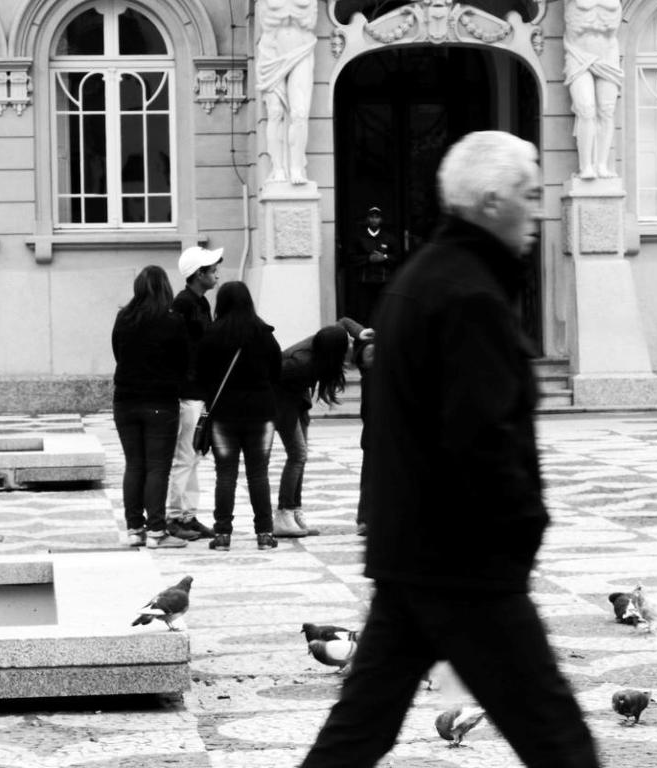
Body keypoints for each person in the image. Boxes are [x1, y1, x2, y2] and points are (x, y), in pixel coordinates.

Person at [300, 131, 601, 768]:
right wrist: (522, 528)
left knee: (358, 732)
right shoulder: (469, 296)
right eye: (528, 194)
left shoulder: (419, 280)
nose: (537, 211)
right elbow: (483, 439)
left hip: (411, 552)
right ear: (492, 202)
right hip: (466, 563)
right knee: (558, 739)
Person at [196, 281, 282, 552]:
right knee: (258, 474)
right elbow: (276, 372)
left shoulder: (212, 334)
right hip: (261, 413)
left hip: (224, 415)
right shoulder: (264, 333)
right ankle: (265, 533)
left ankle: (222, 534)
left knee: (225, 475)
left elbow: (201, 374)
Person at [111, 265, 189, 550]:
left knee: (134, 465)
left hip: (125, 401)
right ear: (165, 289)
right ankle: (157, 530)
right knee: (158, 467)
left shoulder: (124, 318)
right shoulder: (172, 321)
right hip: (160, 401)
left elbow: (118, 353)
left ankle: (134, 529)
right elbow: (183, 361)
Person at [269, 321, 353, 538]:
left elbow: (343, 322)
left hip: (296, 399)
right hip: (282, 402)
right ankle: (283, 513)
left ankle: (294, 510)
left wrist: (361, 332)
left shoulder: (321, 347)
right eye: (348, 343)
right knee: (297, 455)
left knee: (301, 455)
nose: (351, 344)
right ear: (335, 349)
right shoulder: (301, 362)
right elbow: (272, 377)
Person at [165, 245, 224, 542]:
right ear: (198, 274)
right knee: (185, 455)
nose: (217, 274)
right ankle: (175, 516)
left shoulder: (200, 303)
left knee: (194, 455)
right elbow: (183, 350)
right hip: (188, 391)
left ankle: (188, 514)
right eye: (212, 270)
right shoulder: (185, 304)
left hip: (199, 389)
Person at [255, 0, 317, 185]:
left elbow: (311, 22)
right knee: (275, 112)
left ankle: (297, 167)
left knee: (299, 114)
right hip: (271, 53)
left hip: (302, 51)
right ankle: (278, 168)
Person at [564, 0, 623, 179]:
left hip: (608, 57)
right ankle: (586, 166)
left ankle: (602, 165)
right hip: (578, 55)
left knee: (606, 111)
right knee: (586, 109)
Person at [337, 317, 374, 536]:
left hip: (387, 427)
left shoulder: (387, 369)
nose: (372, 355)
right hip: (372, 429)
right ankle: (366, 519)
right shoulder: (368, 372)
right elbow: (343, 322)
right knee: (370, 473)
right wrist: (360, 332)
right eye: (368, 352)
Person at [349, 206, 401, 325]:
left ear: (381, 220)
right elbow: (351, 258)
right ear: (368, 219)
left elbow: (397, 257)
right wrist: (368, 259)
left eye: (377, 217)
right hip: (365, 281)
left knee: (383, 309)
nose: (374, 220)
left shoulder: (389, 238)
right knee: (364, 311)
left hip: (383, 281)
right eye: (371, 217)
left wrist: (384, 258)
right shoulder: (359, 238)